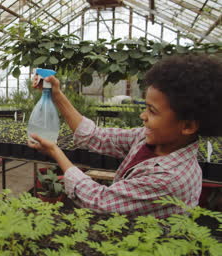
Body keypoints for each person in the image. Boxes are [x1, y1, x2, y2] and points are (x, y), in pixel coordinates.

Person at [28, 54, 222, 218]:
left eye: (152, 111)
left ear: (187, 126)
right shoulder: (148, 139)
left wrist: (55, 152)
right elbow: (96, 136)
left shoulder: (170, 178)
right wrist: (56, 94)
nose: (142, 115)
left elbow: (99, 201)